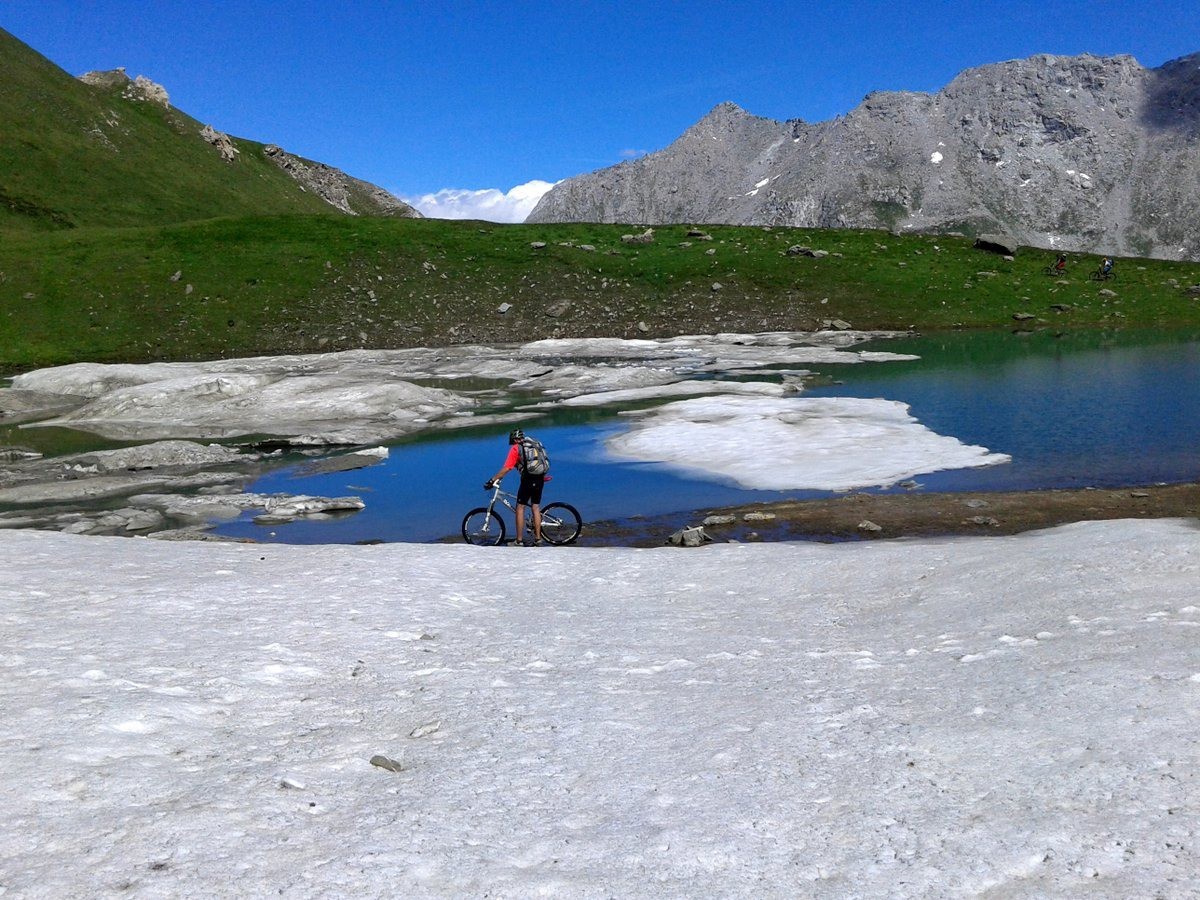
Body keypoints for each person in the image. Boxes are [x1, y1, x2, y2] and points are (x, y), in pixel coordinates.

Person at [485, 428, 548, 545]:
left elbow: (507, 468)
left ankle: (518, 541)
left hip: (528, 480)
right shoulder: (533, 444)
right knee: (535, 507)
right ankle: (538, 539)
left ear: (514, 439)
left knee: (520, 508)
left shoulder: (516, 448)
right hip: (539, 478)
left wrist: (492, 480)